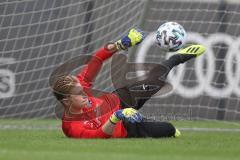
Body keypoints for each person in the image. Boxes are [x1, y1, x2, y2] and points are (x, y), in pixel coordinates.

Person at [52, 28, 205, 138]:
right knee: (169, 130)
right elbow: (99, 135)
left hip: (118, 100)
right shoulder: (71, 126)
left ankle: (176, 58)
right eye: (79, 93)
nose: (84, 93)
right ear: (66, 100)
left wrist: (120, 44)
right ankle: (150, 124)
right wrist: (117, 116)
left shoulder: (81, 86)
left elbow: (97, 59)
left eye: (82, 89)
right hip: (125, 126)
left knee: (154, 82)